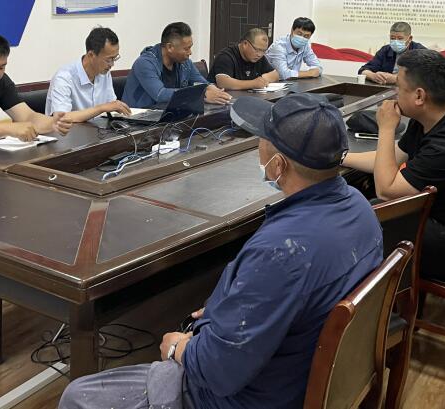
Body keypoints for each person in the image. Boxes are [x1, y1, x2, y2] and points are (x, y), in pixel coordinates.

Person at [58, 93, 384, 409]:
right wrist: (233, 308)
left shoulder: (280, 252)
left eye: (261, 139)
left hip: (252, 396)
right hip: (306, 372)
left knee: (79, 396)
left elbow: (216, 373)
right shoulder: (360, 207)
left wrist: (179, 349)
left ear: (278, 165)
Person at [343, 49, 445, 283]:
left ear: (419, 96)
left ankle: (369, 297)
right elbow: (392, 157)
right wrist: (341, 157)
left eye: (398, 87)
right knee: (371, 211)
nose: (395, 94)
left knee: (370, 215)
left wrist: (386, 127)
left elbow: (386, 189)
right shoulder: (442, 114)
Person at [122, 22, 232, 108]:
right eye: (186, 48)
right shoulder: (145, 63)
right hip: (138, 121)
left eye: (190, 47)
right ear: (170, 47)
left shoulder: (184, 62)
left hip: (169, 114)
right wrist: (202, 95)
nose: (190, 52)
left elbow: (201, 82)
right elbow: (160, 94)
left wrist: (213, 90)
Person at [45, 27, 132, 120]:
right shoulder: (64, 77)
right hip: (70, 129)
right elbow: (61, 118)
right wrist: (100, 108)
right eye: (108, 60)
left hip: (98, 128)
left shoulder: (104, 73)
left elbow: (111, 106)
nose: (112, 64)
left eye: (115, 58)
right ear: (91, 55)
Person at [207, 27, 280, 90]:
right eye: (257, 49)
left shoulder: (258, 57)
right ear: (245, 44)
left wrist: (261, 80)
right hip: (221, 99)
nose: (259, 54)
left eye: (263, 51)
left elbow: (275, 75)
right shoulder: (226, 56)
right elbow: (223, 83)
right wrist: (252, 83)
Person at [358, 21, 425, 85]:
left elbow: (425, 77)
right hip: (386, 89)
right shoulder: (385, 50)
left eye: (400, 38)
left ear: (410, 38)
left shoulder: (420, 52)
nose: (395, 41)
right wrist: (373, 76)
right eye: (392, 38)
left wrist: (396, 79)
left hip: (411, 90)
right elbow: (363, 70)